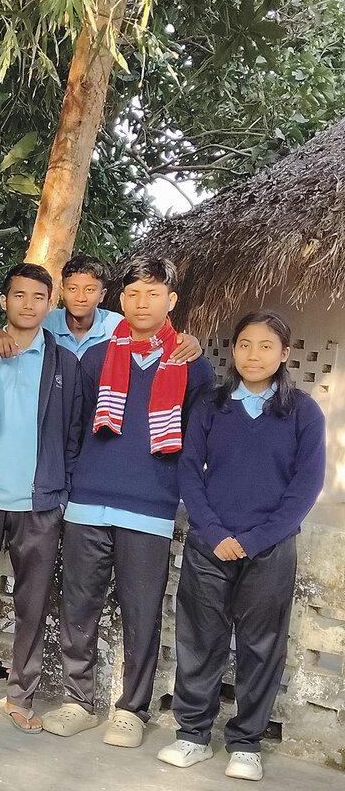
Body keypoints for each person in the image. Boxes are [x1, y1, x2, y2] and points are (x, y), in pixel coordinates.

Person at [41, 256, 215, 748]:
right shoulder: (96, 358)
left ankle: (131, 709)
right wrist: (74, 483)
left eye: (153, 294)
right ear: (120, 302)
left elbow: (199, 440)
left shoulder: (191, 364)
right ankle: (78, 700)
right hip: (87, 505)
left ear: (170, 301)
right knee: (79, 605)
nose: (143, 303)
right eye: (134, 294)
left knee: (141, 613)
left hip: (152, 508)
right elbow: (75, 428)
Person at [158, 311, 325, 781]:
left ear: (283, 354)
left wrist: (252, 541)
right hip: (210, 543)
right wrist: (214, 533)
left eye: (266, 346)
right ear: (233, 351)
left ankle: (246, 743)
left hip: (269, 548)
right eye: (245, 345)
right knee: (199, 640)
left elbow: (304, 487)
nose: (254, 355)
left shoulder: (302, 412)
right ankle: (191, 735)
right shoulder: (211, 405)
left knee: (261, 646)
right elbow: (190, 470)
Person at [0, 263, 82, 734]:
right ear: (3, 301)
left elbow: (74, 435)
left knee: (33, 605)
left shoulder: (66, 363)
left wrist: (60, 492)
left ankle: (21, 695)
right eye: (18, 296)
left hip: (39, 506)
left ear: (51, 305)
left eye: (38, 297)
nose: (28, 305)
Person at [0, 254, 203, 362]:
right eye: (73, 289)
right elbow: (4, 338)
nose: (80, 297)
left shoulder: (117, 325)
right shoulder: (46, 321)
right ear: (62, 291)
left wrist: (189, 341)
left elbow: (152, 335)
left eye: (89, 290)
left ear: (102, 295)